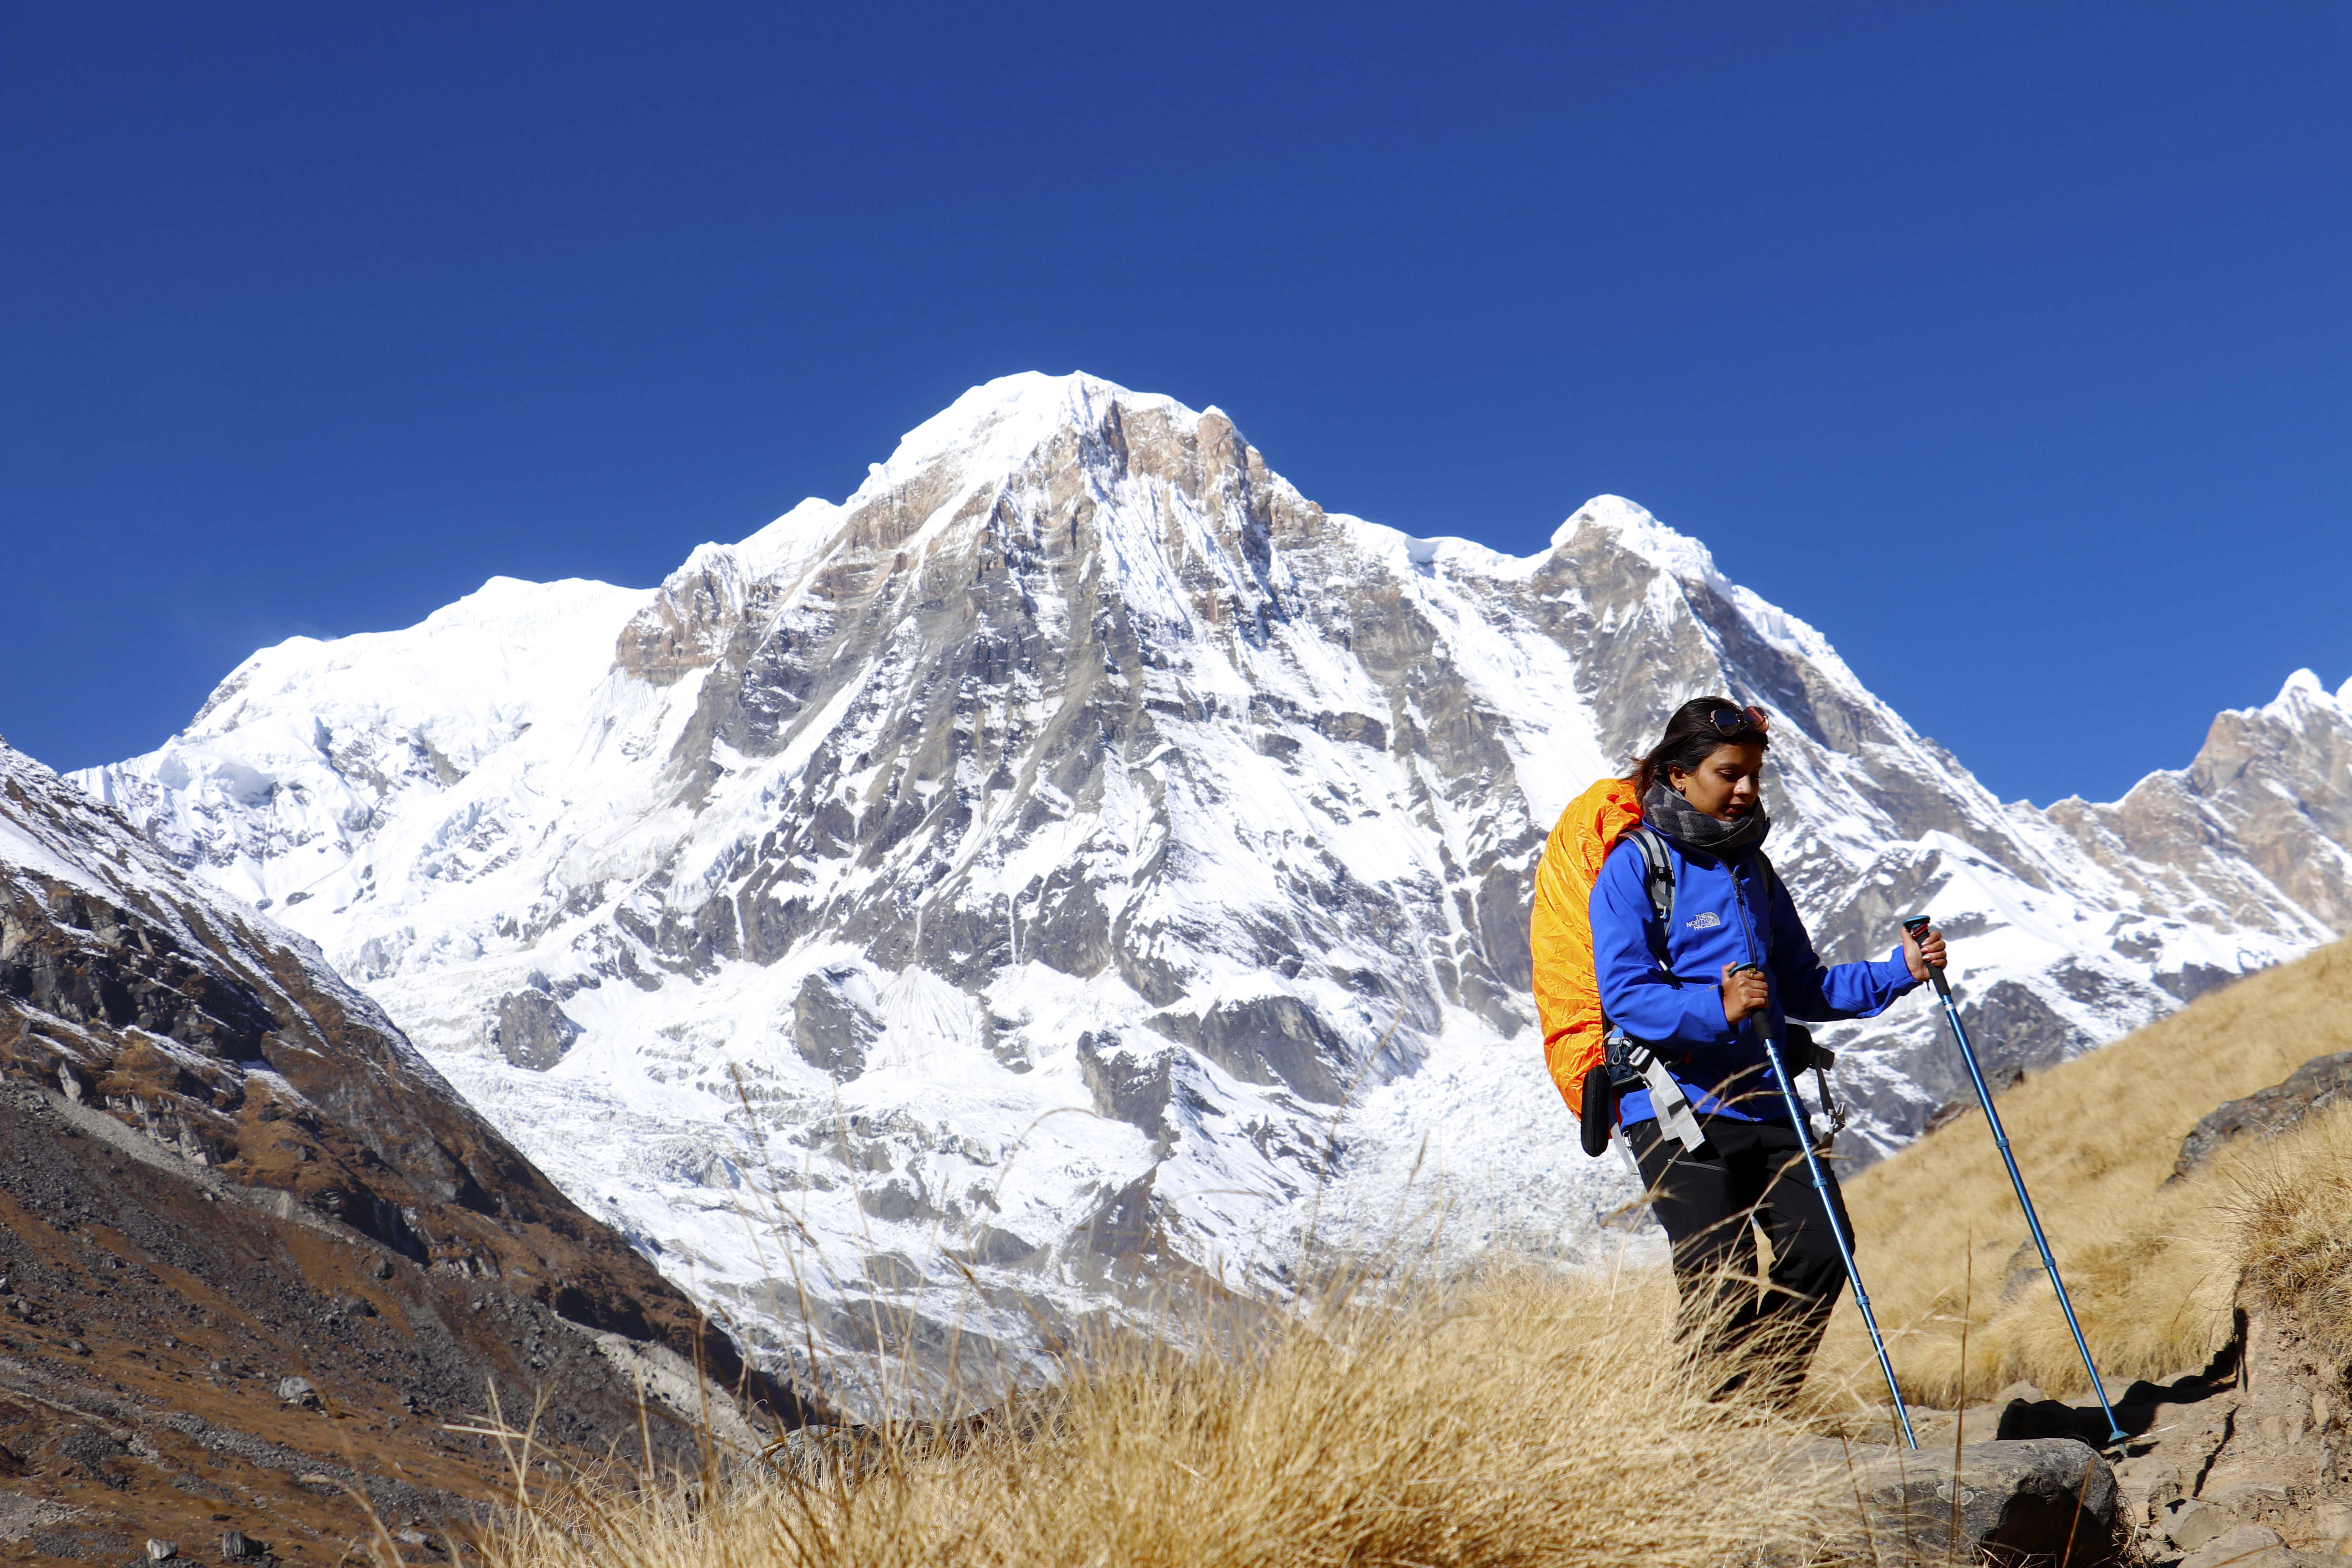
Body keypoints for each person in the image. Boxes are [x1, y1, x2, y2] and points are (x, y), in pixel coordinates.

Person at [1592, 695, 1946, 1399]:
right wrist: (1714, 1005)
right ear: (1679, 775)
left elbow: (1801, 986)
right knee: (1718, 1280)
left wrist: (1899, 972)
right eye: (1730, 774)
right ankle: (1701, 1436)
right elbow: (1625, 994)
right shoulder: (1634, 869)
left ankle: (1750, 1408)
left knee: (1822, 1245)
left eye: (1754, 774)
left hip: (1767, 1097)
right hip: (1677, 1108)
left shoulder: (1753, 869)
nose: (1747, 789)